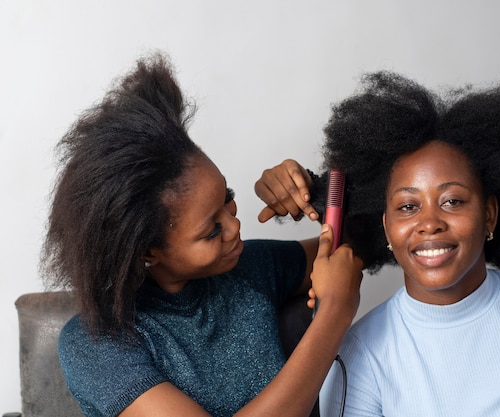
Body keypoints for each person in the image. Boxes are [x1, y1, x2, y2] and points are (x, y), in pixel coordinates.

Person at [41, 53, 363, 417]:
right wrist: (333, 316)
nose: (234, 226)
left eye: (228, 199)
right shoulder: (97, 342)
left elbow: (352, 247)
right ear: (147, 252)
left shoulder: (250, 268)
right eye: (211, 230)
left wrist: (315, 194)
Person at [311, 72, 500, 415]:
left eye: (452, 201)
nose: (429, 223)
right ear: (387, 229)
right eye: (407, 207)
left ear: (489, 214)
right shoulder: (360, 354)